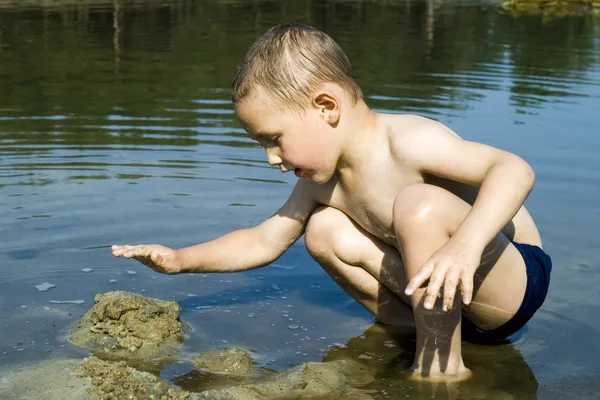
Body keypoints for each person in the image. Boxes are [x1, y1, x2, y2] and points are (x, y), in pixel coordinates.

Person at [112, 23, 552, 381]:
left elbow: (514, 169)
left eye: (274, 139)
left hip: (507, 283)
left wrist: (466, 245)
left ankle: (441, 365)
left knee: (419, 205)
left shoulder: (409, 142)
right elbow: (264, 240)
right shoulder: (322, 182)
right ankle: (407, 334)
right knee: (322, 230)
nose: (271, 159)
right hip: (442, 297)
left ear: (326, 106)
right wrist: (181, 260)